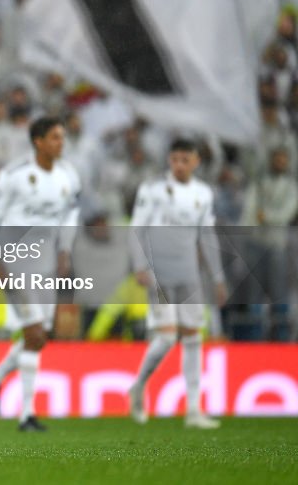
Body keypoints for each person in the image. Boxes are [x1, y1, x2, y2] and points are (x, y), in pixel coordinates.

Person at [0, 117, 80, 432]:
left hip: (47, 264)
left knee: (39, 336)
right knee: (34, 334)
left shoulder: (69, 176)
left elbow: (70, 216)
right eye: (54, 138)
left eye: (62, 138)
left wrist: (64, 251)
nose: (60, 143)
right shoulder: (14, 175)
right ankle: (26, 415)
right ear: (38, 141)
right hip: (16, 262)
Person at [127, 139, 227, 429]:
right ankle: (139, 386)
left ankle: (194, 410)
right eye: (175, 160)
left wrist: (218, 277)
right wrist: (139, 265)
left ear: (196, 161)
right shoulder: (153, 189)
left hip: (189, 274)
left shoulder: (203, 193)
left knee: (193, 337)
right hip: (159, 273)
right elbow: (136, 228)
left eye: (186, 160)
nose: (180, 165)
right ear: (169, 161)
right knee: (168, 337)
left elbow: (206, 237)